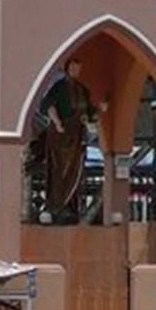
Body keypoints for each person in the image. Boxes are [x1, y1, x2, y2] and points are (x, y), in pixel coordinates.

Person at [34, 58, 105, 223]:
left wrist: (100, 109)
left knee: (75, 169)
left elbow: (90, 113)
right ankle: (56, 205)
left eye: (78, 68)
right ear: (67, 69)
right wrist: (57, 123)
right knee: (59, 170)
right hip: (61, 135)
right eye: (72, 68)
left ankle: (71, 207)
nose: (75, 71)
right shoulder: (59, 87)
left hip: (76, 135)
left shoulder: (82, 90)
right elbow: (48, 105)